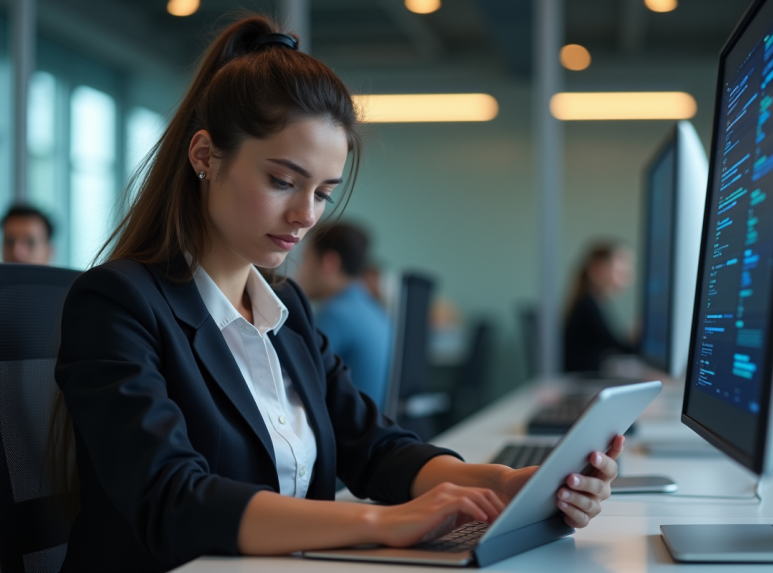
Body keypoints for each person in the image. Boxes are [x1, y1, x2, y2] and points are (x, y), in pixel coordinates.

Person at [51, 16, 623, 573]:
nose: (305, 216)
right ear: (205, 156)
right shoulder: (117, 303)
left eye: (323, 192)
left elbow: (372, 447)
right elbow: (172, 499)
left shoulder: (287, 308)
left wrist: (508, 484)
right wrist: (383, 525)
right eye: (282, 181)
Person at [297, 222, 392, 407]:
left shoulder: (336, 314)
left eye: (304, 261)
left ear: (329, 263)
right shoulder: (377, 311)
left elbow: (302, 385)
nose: (298, 273)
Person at [563, 241, 637, 372]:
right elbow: (620, 348)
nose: (628, 278)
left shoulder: (591, 303)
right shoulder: (587, 307)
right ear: (597, 269)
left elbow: (610, 343)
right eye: (620, 271)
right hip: (583, 380)